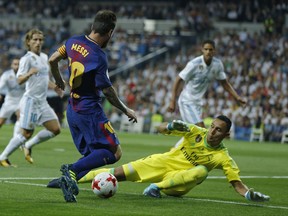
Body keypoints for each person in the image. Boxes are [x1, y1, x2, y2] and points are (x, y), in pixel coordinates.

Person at [48, 10, 138, 202]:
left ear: (92, 26)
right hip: (89, 111)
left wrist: (59, 81)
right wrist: (126, 110)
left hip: (72, 109)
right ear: (110, 32)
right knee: (114, 152)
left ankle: (66, 179)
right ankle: (71, 171)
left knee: (92, 154)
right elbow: (107, 91)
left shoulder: (73, 41)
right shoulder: (98, 56)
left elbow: (52, 59)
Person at [77, 116, 270, 202]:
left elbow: (236, 183)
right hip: (163, 162)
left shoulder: (223, 157)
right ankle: (73, 178)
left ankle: (155, 189)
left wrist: (248, 194)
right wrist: (170, 125)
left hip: (178, 183)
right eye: (212, 126)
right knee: (116, 173)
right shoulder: (195, 131)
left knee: (202, 171)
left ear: (226, 135)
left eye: (218, 130)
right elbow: (159, 129)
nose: (212, 131)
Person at [0, 29, 63, 167]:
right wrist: (29, 73)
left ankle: (28, 146)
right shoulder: (26, 59)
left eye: (40, 40)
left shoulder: (45, 57)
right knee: (26, 133)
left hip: (42, 102)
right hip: (31, 101)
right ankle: (3, 157)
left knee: (55, 129)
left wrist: (55, 87)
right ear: (28, 42)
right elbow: (19, 80)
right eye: (35, 39)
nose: (38, 42)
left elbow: (44, 79)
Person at [167, 39, 247, 128]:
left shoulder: (217, 65)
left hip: (197, 103)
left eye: (210, 49)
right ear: (202, 50)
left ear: (214, 51)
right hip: (187, 101)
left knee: (194, 133)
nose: (208, 52)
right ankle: (169, 127)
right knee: (201, 129)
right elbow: (178, 79)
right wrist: (172, 101)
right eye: (206, 49)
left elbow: (225, 83)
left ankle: (172, 128)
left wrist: (237, 97)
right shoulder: (194, 64)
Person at [0, 57, 24, 136]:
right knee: (1, 122)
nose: (17, 66)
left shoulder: (25, 75)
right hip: (10, 101)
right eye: (15, 64)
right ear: (11, 65)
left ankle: (16, 139)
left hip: (21, 101)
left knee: (20, 118)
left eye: (18, 64)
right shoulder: (7, 75)